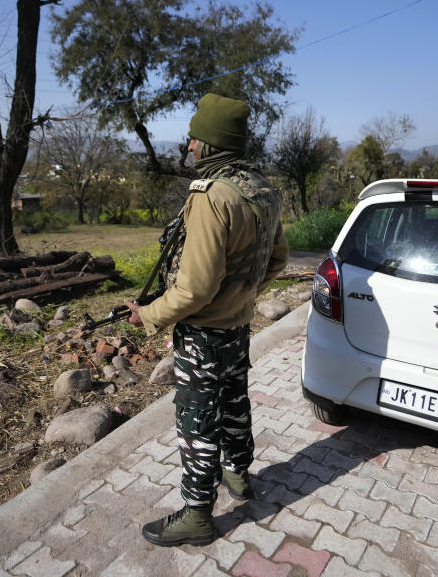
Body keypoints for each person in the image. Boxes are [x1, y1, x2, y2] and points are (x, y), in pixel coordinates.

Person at [123, 93, 288, 547]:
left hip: (203, 334)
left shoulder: (212, 196)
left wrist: (149, 315)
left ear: (212, 145)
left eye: (196, 139)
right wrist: (241, 294)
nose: (190, 147)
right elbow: (277, 259)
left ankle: (197, 515)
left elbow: (193, 290)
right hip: (237, 326)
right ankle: (238, 476)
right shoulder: (262, 190)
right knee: (236, 400)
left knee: (197, 420)